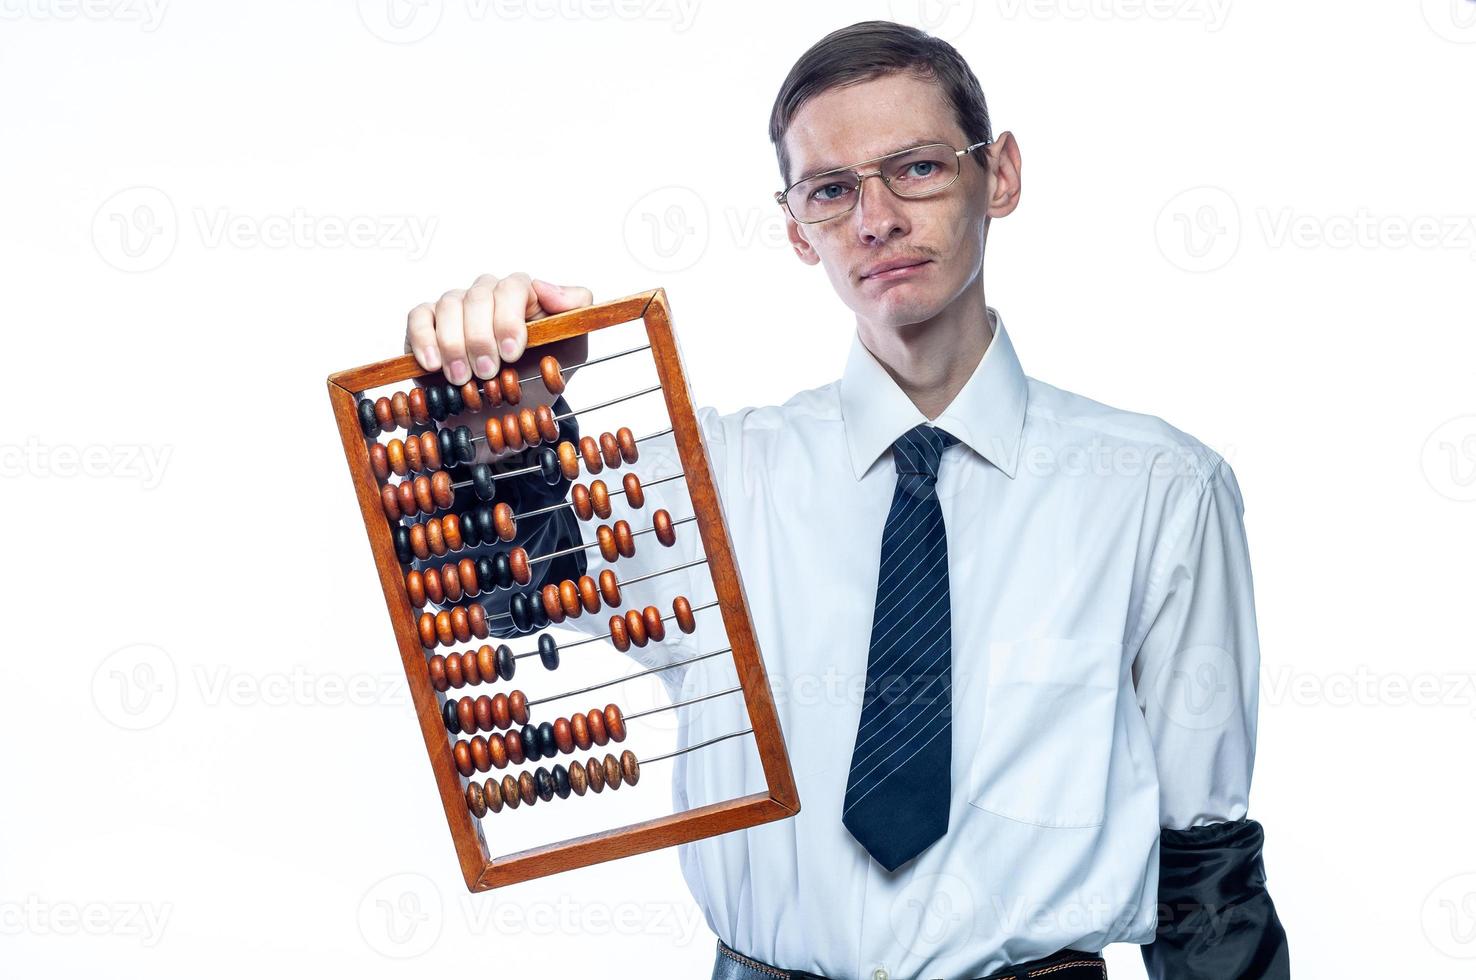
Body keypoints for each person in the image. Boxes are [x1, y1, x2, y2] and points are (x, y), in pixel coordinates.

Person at [402, 20, 1288, 980]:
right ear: (795, 226)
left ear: (1001, 177)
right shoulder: (706, 481)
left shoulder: (1159, 490)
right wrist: (491, 416)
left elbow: (1205, 870)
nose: (875, 220)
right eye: (831, 190)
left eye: (915, 169)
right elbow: (512, 586)